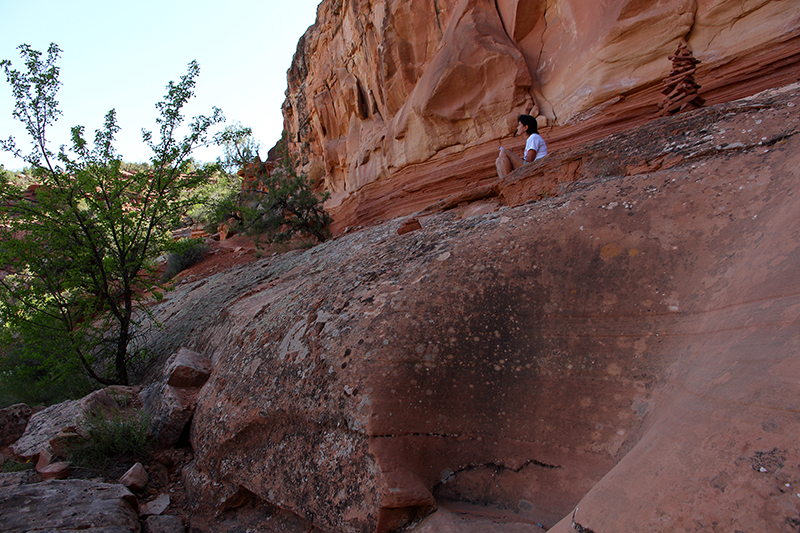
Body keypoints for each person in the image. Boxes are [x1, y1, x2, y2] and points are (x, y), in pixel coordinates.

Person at [496, 114, 548, 178]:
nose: (517, 128)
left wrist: (512, 157)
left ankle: (508, 180)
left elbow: (529, 161)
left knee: (504, 151)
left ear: (526, 127)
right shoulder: (531, 139)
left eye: (520, 125)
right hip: (531, 165)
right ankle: (503, 182)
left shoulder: (533, 137)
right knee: (498, 160)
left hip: (535, 166)